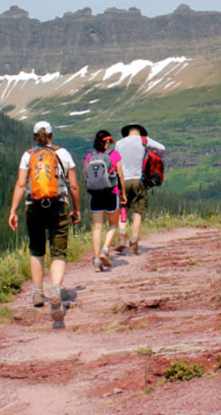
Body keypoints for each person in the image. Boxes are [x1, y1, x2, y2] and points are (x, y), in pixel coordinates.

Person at [8, 121, 80, 321]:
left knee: (36, 249)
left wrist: (13, 210)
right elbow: (73, 185)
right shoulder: (62, 154)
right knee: (58, 251)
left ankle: (38, 292)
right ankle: (56, 289)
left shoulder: (27, 155)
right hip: (58, 205)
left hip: (33, 206)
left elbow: (22, 184)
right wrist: (76, 209)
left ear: (34, 136)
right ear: (52, 136)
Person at [114, 124, 165, 255]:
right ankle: (134, 245)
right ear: (140, 131)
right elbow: (162, 149)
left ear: (127, 132)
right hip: (139, 180)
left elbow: (116, 160)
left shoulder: (119, 144)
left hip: (123, 180)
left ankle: (121, 236)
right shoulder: (144, 141)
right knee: (137, 212)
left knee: (123, 209)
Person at [84, 130, 127, 271]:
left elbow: (86, 177)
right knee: (113, 224)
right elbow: (120, 175)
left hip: (95, 195)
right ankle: (105, 250)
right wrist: (123, 194)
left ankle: (96, 259)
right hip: (111, 193)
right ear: (107, 142)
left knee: (97, 227)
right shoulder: (114, 155)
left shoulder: (90, 156)